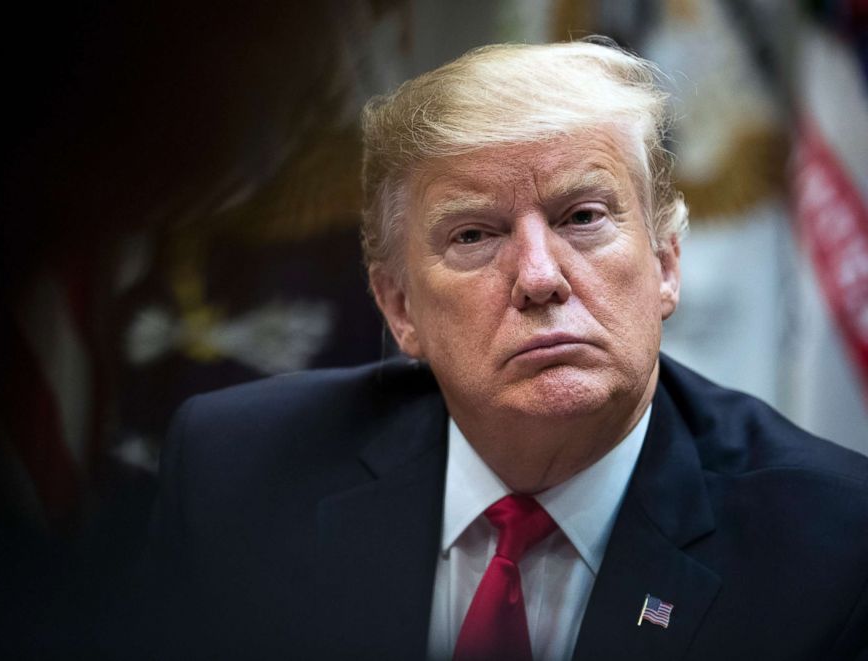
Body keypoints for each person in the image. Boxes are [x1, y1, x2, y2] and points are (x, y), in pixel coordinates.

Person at [148, 39, 868, 660]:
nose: (538, 277)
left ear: (666, 264)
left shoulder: (832, 546)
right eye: (473, 235)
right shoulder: (237, 476)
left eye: (583, 217)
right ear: (400, 307)